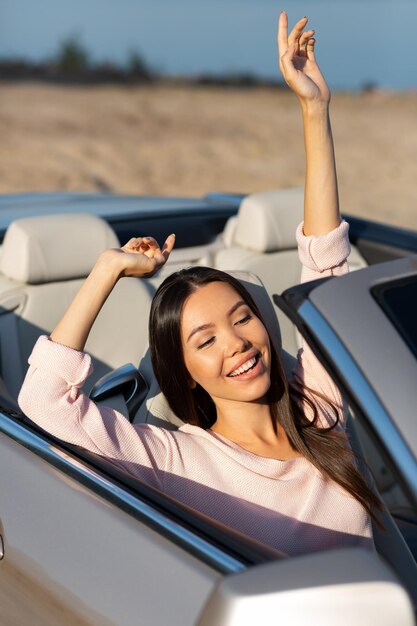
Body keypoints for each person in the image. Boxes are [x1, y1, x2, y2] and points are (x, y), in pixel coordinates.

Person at [18, 13, 382, 557]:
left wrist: (314, 109)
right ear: (183, 373)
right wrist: (107, 270)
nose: (235, 343)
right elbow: (45, 402)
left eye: (241, 318)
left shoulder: (317, 405)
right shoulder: (180, 464)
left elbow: (327, 266)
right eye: (205, 340)